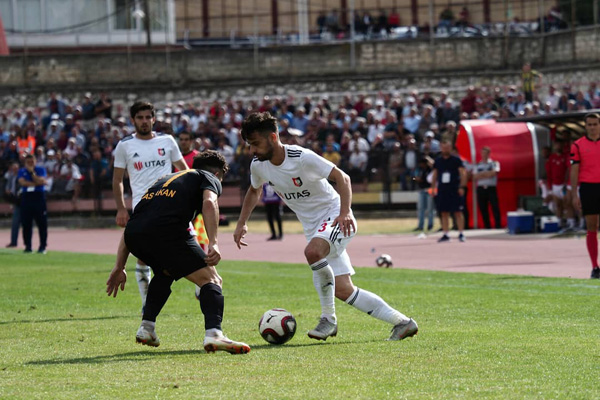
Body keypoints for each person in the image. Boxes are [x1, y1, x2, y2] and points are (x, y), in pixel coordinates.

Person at [233, 112, 417, 342]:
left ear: (272, 137)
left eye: (255, 144)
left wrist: (345, 212)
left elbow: (343, 178)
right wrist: (242, 223)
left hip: (335, 216)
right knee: (343, 289)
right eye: (249, 145)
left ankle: (328, 320)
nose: (252, 151)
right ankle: (403, 323)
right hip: (313, 227)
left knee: (312, 252)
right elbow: (254, 190)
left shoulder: (302, 157)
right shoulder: (259, 166)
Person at [106, 151, 250, 354]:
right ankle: (214, 334)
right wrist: (214, 243)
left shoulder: (163, 180)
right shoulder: (208, 177)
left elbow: (134, 222)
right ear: (218, 173)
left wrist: (119, 266)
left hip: (135, 235)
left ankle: (147, 328)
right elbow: (209, 203)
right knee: (212, 280)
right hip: (167, 231)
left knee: (165, 272)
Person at [112, 101, 188, 312]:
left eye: (148, 117)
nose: (144, 121)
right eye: (140, 118)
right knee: (143, 256)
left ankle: (204, 285)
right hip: (142, 207)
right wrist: (121, 208)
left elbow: (184, 170)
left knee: (185, 247)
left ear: (154, 119)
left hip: (170, 205)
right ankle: (147, 302)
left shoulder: (167, 141)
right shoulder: (125, 145)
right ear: (133, 120)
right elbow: (117, 179)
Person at [570, 113, 600, 279]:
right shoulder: (578, 145)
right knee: (591, 228)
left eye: (595, 124)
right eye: (589, 124)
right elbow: (574, 171)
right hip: (588, 188)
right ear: (585, 126)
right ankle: (595, 266)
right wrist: (574, 194)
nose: (593, 127)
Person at [432, 140, 467, 242]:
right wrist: (433, 188)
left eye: (447, 147)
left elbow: (463, 173)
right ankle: (446, 234)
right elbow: (435, 175)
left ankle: (461, 233)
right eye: (443, 147)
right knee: (444, 212)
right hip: (443, 189)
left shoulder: (456, 160)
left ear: (450, 148)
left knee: (458, 212)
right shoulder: (438, 161)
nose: (445, 149)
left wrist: (462, 186)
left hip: (454, 188)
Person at [17, 154, 48, 253]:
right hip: (27, 197)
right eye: (28, 162)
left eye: (32, 162)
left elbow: (42, 180)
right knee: (26, 223)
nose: (30, 164)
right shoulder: (22, 171)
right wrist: (36, 183)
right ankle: (28, 246)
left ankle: (42, 246)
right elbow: (22, 183)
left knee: (42, 223)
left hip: (38, 196)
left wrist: (32, 173)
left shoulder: (40, 170)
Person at [473, 146, 502, 229]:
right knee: (483, 207)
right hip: (481, 188)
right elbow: (475, 176)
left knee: (495, 206)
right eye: (482, 153)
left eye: (486, 153)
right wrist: (487, 174)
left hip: (491, 188)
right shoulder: (478, 164)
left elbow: (494, 173)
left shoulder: (494, 163)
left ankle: (498, 225)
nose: (484, 155)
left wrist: (482, 174)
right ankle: (487, 226)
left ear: (489, 154)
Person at [4, 161, 21, 248]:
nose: (15, 170)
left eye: (16, 168)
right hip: (15, 201)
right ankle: (13, 242)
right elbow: (8, 186)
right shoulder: (11, 176)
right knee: (15, 223)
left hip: (22, 200)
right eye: (13, 168)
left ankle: (28, 243)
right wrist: (8, 190)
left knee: (27, 223)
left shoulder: (21, 176)